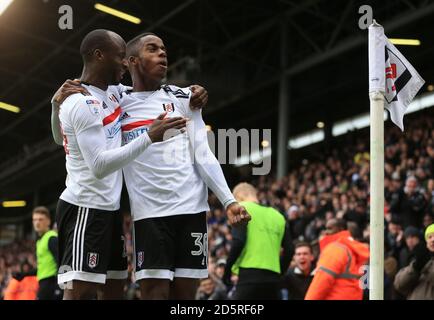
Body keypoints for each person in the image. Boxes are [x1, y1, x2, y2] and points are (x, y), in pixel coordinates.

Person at [52, 29, 188, 300]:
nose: (126, 64)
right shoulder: (80, 102)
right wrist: (150, 136)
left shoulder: (113, 92)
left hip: (110, 208)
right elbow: (100, 165)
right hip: (85, 206)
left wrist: (190, 92)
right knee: (82, 290)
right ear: (99, 56)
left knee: (116, 285)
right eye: (121, 58)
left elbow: (58, 137)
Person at [122, 32, 250, 300]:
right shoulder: (118, 103)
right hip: (150, 215)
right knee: (155, 294)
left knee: (185, 298)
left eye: (164, 49)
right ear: (132, 61)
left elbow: (203, 153)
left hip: (191, 210)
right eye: (152, 49)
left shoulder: (183, 98)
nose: (162, 54)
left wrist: (229, 201)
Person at [223, 182, 292, 300]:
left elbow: (239, 241)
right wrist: (279, 272)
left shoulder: (241, 209)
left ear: (238, 197)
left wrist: (227, 270)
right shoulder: (277, 215)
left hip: (248, 277)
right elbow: (290, 249)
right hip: (273, 280)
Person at [305, 218, 369, 300]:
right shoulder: (352, 249)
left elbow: (322, 281)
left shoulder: (335, 249)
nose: (326, 232)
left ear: (340, 229)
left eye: (330, 228)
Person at [394, 223, 434, 299]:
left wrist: (427, 265)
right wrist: (415, 268)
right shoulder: (418, 256)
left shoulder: (426, 261)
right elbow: (399, 284)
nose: (433, 239)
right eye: (430, 237)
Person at [32, 206, 62, 300]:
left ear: (48, 221)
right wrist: (24, 274)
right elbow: (43, 267)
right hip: (44, 282)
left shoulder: (51, 238)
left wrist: (59, 287)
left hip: (51, 283)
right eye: (35, 220)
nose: (37, 223)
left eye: (40, 219)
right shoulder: (40, 241)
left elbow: (61, 262)